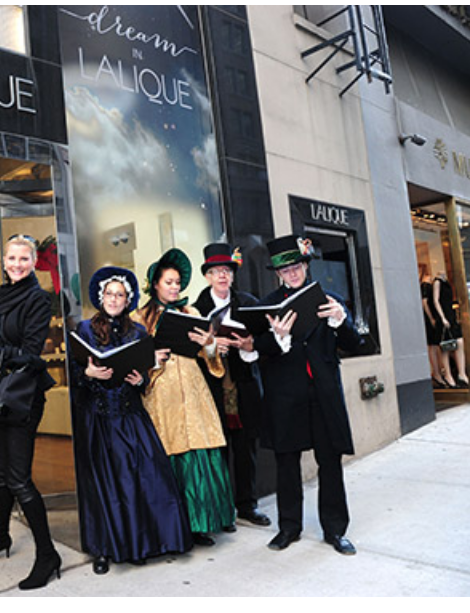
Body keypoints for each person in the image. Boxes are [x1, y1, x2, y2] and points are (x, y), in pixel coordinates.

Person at [71, 266, 193, 575]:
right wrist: (88, 373)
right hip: (99, 419)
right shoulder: (84, 329)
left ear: (128, 300)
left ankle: (141, 545)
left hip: (131, 415)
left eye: (120, 295)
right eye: (109, 294)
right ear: (101, 297)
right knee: (104, 486)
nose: (114, 299)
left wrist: (140, 380)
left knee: (144, 477)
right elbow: (74, 374)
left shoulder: (138, 332)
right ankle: (104, 549)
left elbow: (144, 376)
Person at [254, 234, 361, 555]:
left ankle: (335, 529)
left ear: (305, 266)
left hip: (323, 393)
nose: (292, 273)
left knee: (330, 462)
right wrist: (277, 337)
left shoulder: (330, 299)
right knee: (287, 463)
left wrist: (341, 321)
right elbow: (258, 349)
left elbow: (354, 344)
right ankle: (289, 527)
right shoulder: (267, 306)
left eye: (296, 267)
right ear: (278, 274)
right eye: (285, 270)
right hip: (286, 396)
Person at [0, 233, 61, 590]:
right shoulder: (2, 296)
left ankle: (48, 555)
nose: (16, 264)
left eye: (23, 258)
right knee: (1, 473)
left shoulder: (38, 298)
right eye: (11, 258)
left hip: (24, 395)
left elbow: (31, 353)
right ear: (3, 261)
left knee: (19, 478)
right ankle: (0, 536)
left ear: (33, 262)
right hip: (2, 394)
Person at [134, 248, 236, 546]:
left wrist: (209, 344)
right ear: (155, 284)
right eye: (169, 282)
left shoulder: (191, 312)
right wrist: (152, 360)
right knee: (171, 457)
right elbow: (133, 363)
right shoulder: (139, 318)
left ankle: (201, 524)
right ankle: (175, 528)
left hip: (193, 391)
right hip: (161, 396)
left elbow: (210, 358)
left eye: (178, 282)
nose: (174, 287)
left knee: (199, 457)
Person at [193, 243, 271, 528]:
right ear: (207, 276)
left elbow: (264, 342)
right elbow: (190, 352)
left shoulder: (248, 303)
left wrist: (248, 345)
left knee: (246, 448)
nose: (222, 276)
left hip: (245, 384)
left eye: (227, 270)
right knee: (219, 451)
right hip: (212, 390)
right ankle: (224, 510)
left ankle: (248, 505)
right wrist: (212, 345)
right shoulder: (196, 309)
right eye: (216, 271)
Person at [432, 271, 469, 388]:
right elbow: (436, 301)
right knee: (445, 346)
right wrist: (442, 317)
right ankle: (448, 375)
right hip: (443, 316)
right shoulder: (437, 282)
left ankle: (462, 373)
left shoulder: (446, 282)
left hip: (451, 315)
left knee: (459, 342)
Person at [420, 274, 448, 388]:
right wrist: (431, 318)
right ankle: (437, 373)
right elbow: (425, 303)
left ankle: (438, 373)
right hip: (430, 319)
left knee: (435, 345)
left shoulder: (427, 285)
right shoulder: (425, 285)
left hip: (432, 318)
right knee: (433, 345)